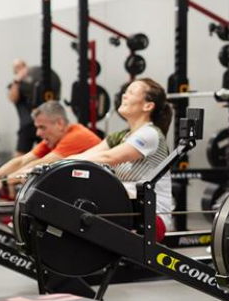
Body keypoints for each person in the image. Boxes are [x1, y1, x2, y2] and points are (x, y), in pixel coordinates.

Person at [71, 78, 174, 229]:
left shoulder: (150, 134)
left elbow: (108, 158)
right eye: (125, 92)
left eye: (131, 92)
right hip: (127, 210)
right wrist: (49, 167)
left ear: (148, 106)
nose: (124, 96)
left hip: (151, 218)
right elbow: (86, 156)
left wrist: (56, 166)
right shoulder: (122, 136)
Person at [0, 101, 101, 197]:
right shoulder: (54, 139)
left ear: (60, 124)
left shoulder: (77, 136)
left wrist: (2, 182)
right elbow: (21, 161)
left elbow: (40, 164)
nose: (38, 133)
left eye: (42, 127)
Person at [7, 59, 38, 157]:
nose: (20, 69)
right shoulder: (15, 85)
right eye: (17, 67)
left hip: (41, 124)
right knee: (20, 156)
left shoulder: (36, 82)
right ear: (14, 71)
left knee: (48, 154)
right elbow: (13, 99)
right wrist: (17, 80)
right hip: (26, 125)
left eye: (22, 66)